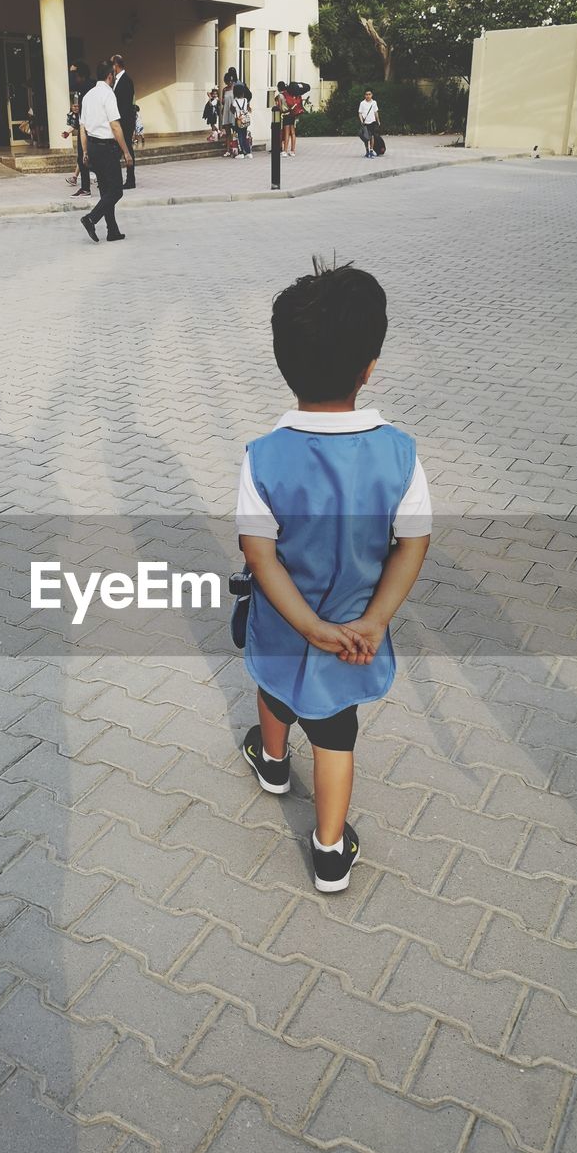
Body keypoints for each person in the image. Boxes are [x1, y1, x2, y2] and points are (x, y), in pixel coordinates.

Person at [236, 262, 431, 892]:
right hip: (352, 638)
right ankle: (328, 850)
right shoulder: (399, 452)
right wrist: (371, 620)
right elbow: (412, 543)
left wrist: (306, 625)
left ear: (283, 363)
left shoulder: (263, 455)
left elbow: (259, 554)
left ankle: (270, 764)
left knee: (271, 688)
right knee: (336, 733)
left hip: (282, 625)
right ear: (369, 366)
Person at [78, 59, 133, 243]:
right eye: (114, 76)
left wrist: (85, 152)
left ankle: (112, 231)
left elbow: (82, 128)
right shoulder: (108, 94)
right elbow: (115, 125)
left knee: (105, 191)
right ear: (110, 76)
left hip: (92, 147)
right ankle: (91, 219)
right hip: (106, 148)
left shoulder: (88, 96)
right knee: (116, 190)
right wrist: (126, 152)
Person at [66, 62, 94, 198]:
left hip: (87, 127)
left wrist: (71, 71)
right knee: (85, 157)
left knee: (83, 156)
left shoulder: (87, 85)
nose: (74, 78)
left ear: (80, 75)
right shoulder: (88, 85)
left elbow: (71, 85)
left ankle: (85, 188)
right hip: (86, 124)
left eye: (76, 75)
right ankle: (87, 186)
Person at [111, 53, 137, 189]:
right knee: (120, 151)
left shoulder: (125, 80)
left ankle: (130, 179)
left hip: (125, 122)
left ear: (116, 65)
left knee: (126, 150)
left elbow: (125, 105)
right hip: (121, 121)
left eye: (112, 65)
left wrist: (120, 123)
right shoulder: (118, 80)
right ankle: (121, 178)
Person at [358, 89, 380, 158]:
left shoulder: (374, 102)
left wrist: (378, 121)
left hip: (372, 121)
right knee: (366, 138)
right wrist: (361, 121)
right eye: (366, 94)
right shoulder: (362, 103)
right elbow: (360, 113)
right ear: (365, 95)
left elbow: (376, 112)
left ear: (371, 95)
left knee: (372, 137)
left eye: (369, 94)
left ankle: (371, 151)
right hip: (365, 123)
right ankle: (367, 151)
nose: (368, 96)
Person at [282, 84, 304, 156]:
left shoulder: (283, 95)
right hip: (294, 114)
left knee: (287, 133)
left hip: (286, 115)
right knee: (293, 133)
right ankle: (293, 151)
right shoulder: (297, 96)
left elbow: (280, 106)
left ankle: (285, 150)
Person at [232, 82, 252, 158]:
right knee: (245, 135)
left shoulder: (235, 101)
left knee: (239, 136)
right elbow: (247, 108)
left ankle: (241, 152)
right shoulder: (245, 100)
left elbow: (232, 110)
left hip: (238, 120)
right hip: (245, 120)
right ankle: (248, 152)